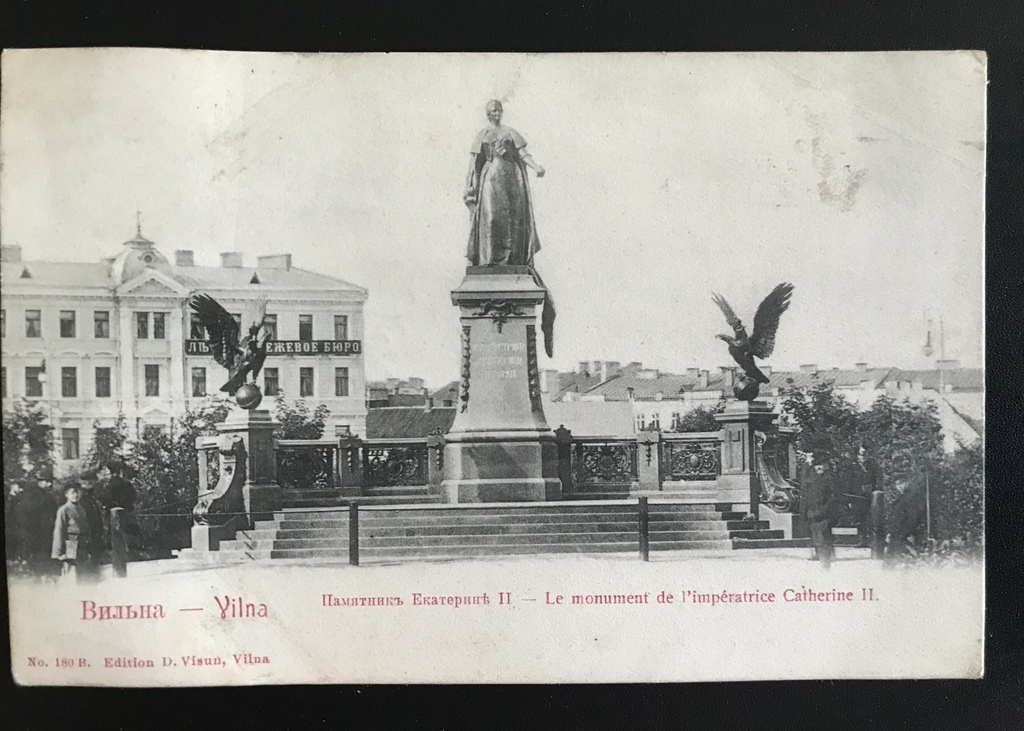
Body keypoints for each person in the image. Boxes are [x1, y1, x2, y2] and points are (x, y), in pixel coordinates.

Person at [464, 100, 546, 267]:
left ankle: (513, 260)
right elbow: (475, 165)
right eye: (493, 111)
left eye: (499, 110)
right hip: (491, 180)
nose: (497, 113)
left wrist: (536, 167)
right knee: (491, 218)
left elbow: (523, 153)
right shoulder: (483, 134)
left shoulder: (510, 132)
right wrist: (471, 186)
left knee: (512, 218)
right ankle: (488, 260)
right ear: (488, 114)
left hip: (512, 180)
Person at [799, 442, 838, 568]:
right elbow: (805, 496)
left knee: (824, 539)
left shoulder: (830, 479)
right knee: (816, 539)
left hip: (824, 514)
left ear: (826, 466)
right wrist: (803, 513)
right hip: (811, 513)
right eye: (816, 465)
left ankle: (826, 565)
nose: (819, 467)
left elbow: (834, 497)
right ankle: (822, 559)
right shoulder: (811, 480)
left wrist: (824, 510)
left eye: (821, 465)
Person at [51, 482, 95, 584]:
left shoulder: (82, 508)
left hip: (83, 543)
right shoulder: (63, 510)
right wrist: (58, 552)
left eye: (78, 492)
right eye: (72, 492)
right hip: (70, 544)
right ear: (66, 494)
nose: (76, 495)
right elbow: (59, 530)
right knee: (71, 573)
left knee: (84, 573)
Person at [842, 444, 883, 547]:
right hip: (857, 497)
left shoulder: (873, 466)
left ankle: (872, 540)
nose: (864, 456)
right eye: (862, 454)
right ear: (857, 455)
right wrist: (849, 499)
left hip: (871, 497)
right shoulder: (852, 467)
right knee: (859, 518)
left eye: (866, 454)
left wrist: (874, 488)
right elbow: (848, 483)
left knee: (871, 518)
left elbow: (878, 479)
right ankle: (862, 539)